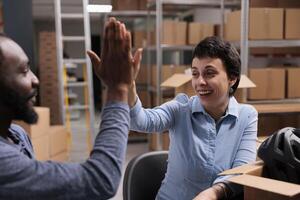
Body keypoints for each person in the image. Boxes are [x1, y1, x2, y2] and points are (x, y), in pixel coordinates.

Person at [0, 17, 139, 199]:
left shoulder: (16, 135)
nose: (36, 80)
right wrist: (118, 88)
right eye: (24, 71)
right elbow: (98, 180)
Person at [129, 36, 258, 200]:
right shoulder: (180, 109)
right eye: (195, 74)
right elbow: (141, 121)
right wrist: (127, 86)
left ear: (232, 78)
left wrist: (214, 193)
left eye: (209, 73)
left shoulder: (247, 116)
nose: (200, 82)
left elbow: (242, 170)